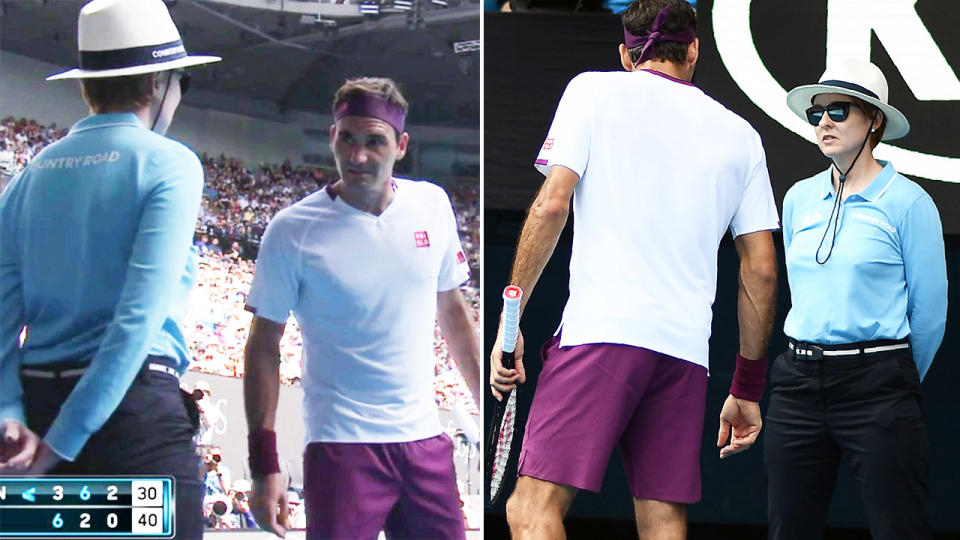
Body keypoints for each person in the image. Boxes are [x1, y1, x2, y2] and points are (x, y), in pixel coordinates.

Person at [488, 1, 780, 537]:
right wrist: (748, 386)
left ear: (626, 54)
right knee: (662, 518)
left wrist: (514, 319)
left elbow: (552, 205)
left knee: (530, 509)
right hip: (684, 353)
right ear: (694, 51)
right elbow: (760, 270)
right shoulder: (741, 135)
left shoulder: (592, 90)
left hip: (601, 336)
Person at [0, 0, 219, 537]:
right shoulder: (171, 164)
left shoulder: (30, 174)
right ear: (156, 85)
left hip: (36, 410)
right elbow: (136, 321)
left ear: (86, 87)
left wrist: (10, 416)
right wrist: (59, 448)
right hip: (130, 419)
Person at [243, 77, 482, 539]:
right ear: (332, 137)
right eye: (347, 138)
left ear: (401, 145)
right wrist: (263, 462)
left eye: (375, 141)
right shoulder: (291, 231)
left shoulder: (432, 205)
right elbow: (262, 346)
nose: (357, 156)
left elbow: (453, 311)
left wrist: (486, 410)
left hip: (423, 441)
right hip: (341, 447)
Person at [767, 59, 948, 540]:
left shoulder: (909, 203)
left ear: (875, 120)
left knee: (899, 528)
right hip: (797, 383)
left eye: (838, 111)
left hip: (878, 383)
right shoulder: (798, 198)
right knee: (788, 529)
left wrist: (894, 379)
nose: (823, 122)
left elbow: (930, 313)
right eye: (817, 113)